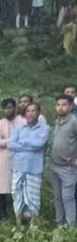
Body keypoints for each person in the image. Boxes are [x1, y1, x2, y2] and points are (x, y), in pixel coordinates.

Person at [8, 101, 49, 225]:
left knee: (33, 197)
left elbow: (39, 144)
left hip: (34, 169)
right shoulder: (18, 128)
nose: (30, 113)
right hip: (18, 167)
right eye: (28, 111)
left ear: (38, 113)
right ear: (25, 113)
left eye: (33, 110)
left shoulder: (45, 128)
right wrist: (29, 143)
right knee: (16, 194)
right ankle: (19, 224)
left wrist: (22, 142)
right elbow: (11, 145)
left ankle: (33, 225)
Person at [0, 98, 22, 218]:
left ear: (15, 108)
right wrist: (15, 140)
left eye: (9, 107)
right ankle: (3, 217)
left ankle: (19, 216)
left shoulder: (23, 121)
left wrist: (6, 140)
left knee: (18, 189)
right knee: (0, 189)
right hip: (2, 160)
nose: (7, 110)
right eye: (4, 108)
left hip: (19, 159)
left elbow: (26, 141)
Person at [48, 94, 77, 227]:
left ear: (71, 106)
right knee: (58, 197)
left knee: (68, 197)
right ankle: (60, 223)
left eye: (64, 105)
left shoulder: (74, 121)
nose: (60, 108)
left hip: (68, 168)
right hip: (54, 165)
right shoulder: (57, 121)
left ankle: (71, 226)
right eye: (58, 105)